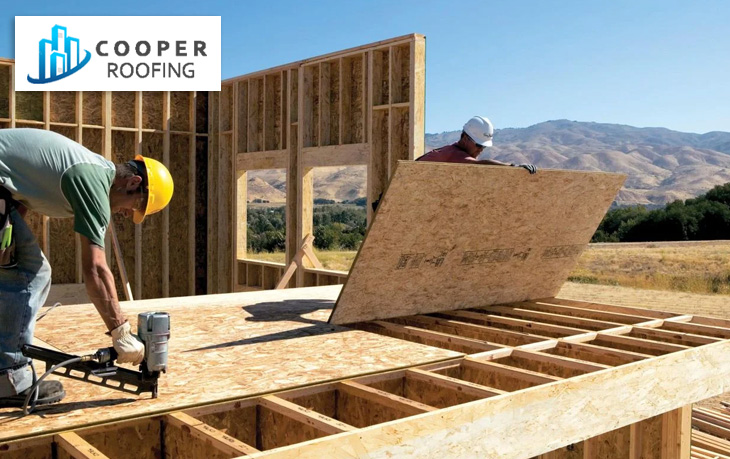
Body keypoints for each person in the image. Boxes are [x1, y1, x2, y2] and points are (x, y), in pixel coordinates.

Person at [0, 128, 174, 408]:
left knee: (15, 268)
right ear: (133, 182)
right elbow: (95, 268)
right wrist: (121, 332)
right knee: (31, 273)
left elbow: (19, 194)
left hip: (3, 197)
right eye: (135, 206)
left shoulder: (90, 171)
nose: (127, 213)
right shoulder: (95, 182)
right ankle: (11, 380)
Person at [417, 115, 538, 174]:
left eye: (483, 146)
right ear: (465, 138)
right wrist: (513, 167)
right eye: (478, 145)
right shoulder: (453, 154)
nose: (481, 150)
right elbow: (480, 164)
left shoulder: (454, 152)